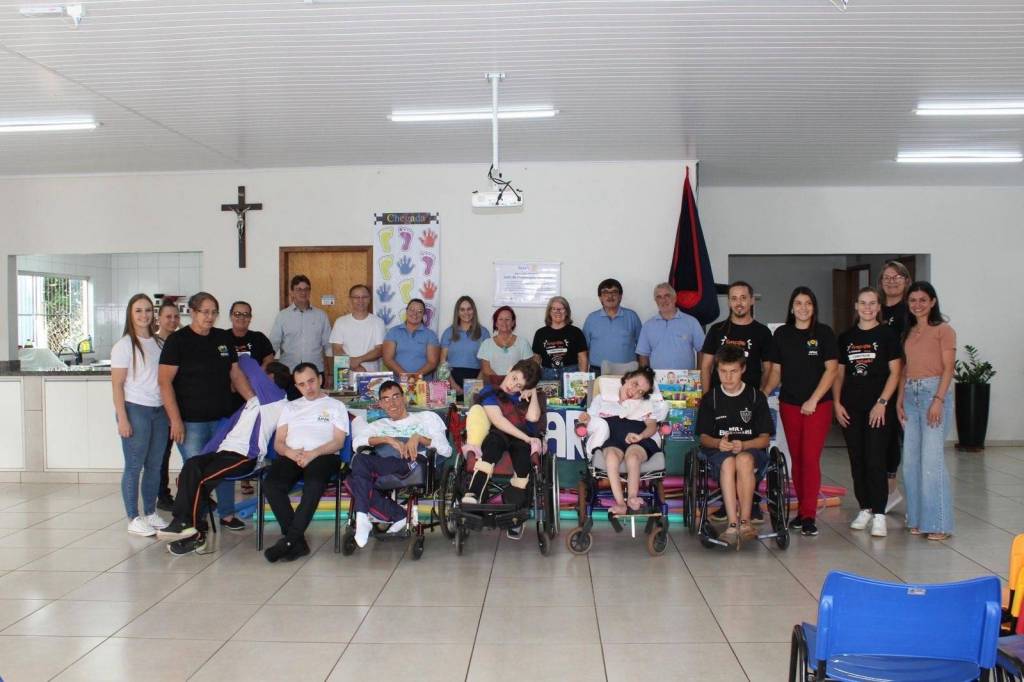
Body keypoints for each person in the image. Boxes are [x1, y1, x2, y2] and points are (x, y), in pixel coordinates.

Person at [156, 356, 289, 555]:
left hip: (244, 457)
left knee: (201, 480)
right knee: (191, 468)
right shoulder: (252, 402)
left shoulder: (276, 400)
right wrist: (202, 458)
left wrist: (235, 355)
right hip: (223, 453)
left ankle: (189, 529)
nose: (249, 380)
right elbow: (222, 434)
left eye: (262, 376)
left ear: (269, 379)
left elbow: (248, 364)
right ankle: (190, 530)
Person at [159, 291, 254, 531]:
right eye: (205, 312)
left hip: (222, 419)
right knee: (196, 471)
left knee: (223, 466)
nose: (209, 317)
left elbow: (235, 374)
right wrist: (175, 420)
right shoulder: (177, 341)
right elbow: (164, 382)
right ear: (192, 312)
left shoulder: (223, 338)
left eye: (214, 312)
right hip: (190, 422)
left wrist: (253, 402)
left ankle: (227, 514)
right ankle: (195, 517)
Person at [347, 381, 451, 547]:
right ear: (381, 404)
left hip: (415, 465)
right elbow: (357, 443)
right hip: (387, 465)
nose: (392, 403)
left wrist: (418, 438)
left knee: (359, 480)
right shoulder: (379, 425)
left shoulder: (426, 418)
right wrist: (387, 439)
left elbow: (446, 450)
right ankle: (369, 517)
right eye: (386, 399)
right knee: (356, 465)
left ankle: (364, 515)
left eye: (396, 397)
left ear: (404, 398)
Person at [770, 286, 839, 537]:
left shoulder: (824, 333)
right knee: (797, 459)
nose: (803, 308)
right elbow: (776, 371)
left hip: (817, 406)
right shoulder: (782, 334)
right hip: (789, 404)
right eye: (798, 303)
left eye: (808, 303)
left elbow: (832, 370)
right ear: (791, 307)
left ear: (814, 307)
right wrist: (761, 394)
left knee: (810, 459)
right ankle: (801, 511)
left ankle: (809, 515)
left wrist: (813, 399)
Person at [834, 287, 902, 538]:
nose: (868, 308)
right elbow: (839, 374)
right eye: (863, 303)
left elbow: (895, 372)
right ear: (856, 306)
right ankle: (865, 508)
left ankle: (880, 514)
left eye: (872, 303)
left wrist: (882, 402)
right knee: (857, 459)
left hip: (879, 410)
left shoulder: (887, 335)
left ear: (878, 307)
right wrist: (837, 403)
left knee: (875, 460)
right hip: (851, 408)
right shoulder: (846, 337)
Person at [263, 363, 349, 562]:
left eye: (311, 381)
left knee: (314, 483)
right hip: (293, 455)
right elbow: (278, 443)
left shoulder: (336, 406)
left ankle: (289, 540)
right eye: (301, 384)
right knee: (271, 485)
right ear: (296, 386)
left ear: (320, 379)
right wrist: (291, 453)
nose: (308, 387)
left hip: (324, 455)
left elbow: (338, 441)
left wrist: (313, 453)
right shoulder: (290, 407)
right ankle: (297, 543)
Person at [696, 346, 772, 548]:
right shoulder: (710, 398)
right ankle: (731, 524)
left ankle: (745, 522)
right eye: (723, 371)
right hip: (719, 452)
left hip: (750, 450)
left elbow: (765, 439)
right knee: (729, 462)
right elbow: (703, 438)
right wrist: (718, 443)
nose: (728, 377)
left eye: (733, 371)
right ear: (716, 370)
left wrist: (745, 444)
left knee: (743, 459)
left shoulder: (756, 397)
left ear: (743, 369)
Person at [897, 281, 956, 541]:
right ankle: (918, 518)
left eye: (923, 300)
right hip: (911, 396)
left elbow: (948, 368)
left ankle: (939, 524)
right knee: (911, 463)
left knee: (932, 462)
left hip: (934, 393)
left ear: (932, 302)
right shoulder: (908, 332)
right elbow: (904, 370)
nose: (918, 304)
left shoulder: (944, 330)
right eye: (913, 300)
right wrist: (899, 400)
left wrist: (938, 400)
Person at [460, 359, 542, 539]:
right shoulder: (490, 391)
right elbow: (498, 421)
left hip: (521, 438)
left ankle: (515, 513)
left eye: (519, 385)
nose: (513, 386)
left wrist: (533, 391)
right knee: (492, 445)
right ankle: (474, 492)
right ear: (510, 369)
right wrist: (527, 438)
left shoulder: (525, 395)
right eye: (514, 378)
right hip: (500, 433)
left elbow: (534, 417)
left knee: (523, 463)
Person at [111, 294, 169, 537]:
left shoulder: (159, 343)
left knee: (155, 466)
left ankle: (150, 512)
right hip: (135, 410)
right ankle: (133, 517)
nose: (144, 315)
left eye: (147, 310)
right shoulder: (124, 346)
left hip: (159, 411)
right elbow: (117, 385)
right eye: (138, 310)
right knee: (134, 465)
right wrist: (122, 417)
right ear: (130, 314)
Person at [579, 367, 666, 514]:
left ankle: (632, 497)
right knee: (611, 457)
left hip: (637, 439)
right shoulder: (603, 399)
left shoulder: (645, 404)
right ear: (627, 378)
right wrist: (586, 419)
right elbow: (590, 420)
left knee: (633, 457)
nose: (635, 391)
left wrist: (641, 436)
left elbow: (652, 426)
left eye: (641, 392)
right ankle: (620, 503)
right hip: (613, 438)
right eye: (635, 384)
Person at [700, 281, 777, 394]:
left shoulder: (763, 332)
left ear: (752, 300)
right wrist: (706, 397)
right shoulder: (716, 330)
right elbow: (705, 367)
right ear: (729, 302)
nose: (739, 303)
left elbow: (768, 368)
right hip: (719, 397)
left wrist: (761, 394)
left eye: (743, 298)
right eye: (734, 298)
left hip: (750, 397)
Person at [879, 260, 912, 511]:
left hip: (902, 382)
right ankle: (885, 489)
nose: (891, 281)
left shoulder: (909, 312)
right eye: (887, 277)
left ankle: (893, 490)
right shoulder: (876, 310)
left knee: (896, 438)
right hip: (876, 382)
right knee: (881, 437)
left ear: (906, 280)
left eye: (897, 277)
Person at [269, 274, 331, 377]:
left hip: (315, 371)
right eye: (299, 289)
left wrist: (329, 373)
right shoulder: (283, 316)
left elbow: (328, 346)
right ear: (292, 292)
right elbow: (273, 344)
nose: (303, 292)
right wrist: (268, 371)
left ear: (310, 291)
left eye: (306, 289)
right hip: (288, 371)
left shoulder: (321, 315)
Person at [637, 282, 705, 370]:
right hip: (657, 378)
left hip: (686, 378)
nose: (663, 300)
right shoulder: (648, 326)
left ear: (674, 298)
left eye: (667, 296)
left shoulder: (691, 322)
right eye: (659, 297)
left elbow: (702, 350)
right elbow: (643, 355)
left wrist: (700, 374)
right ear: (656, 301)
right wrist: (646, 376)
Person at [154, 301, 181, 512]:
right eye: (168, 317)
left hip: (180, 402)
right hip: (159, 405)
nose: (173, 321)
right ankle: (162, 495)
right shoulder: (152, 343)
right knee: (162, 453)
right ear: (159, 318)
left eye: (176, 317)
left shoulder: (181, 340)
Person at [582, 278, 642, 373]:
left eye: (614, 292)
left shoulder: (632, 317)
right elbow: (584, 349)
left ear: (620, 296)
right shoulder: (591, 319)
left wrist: (642, 371)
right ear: (600, 297)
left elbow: (641, 348)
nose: (610, 296)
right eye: (605, 292)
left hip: (628, 371)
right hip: (597, 371)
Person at [330, 284, 386, 372]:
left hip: (370, 374)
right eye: (356, 297)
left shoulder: (378, 322)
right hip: (344, 373)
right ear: (350, 299)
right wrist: (355, 366)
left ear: (369, 299)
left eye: (364, 297)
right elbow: (336, 350)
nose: (360, 300)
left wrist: (358, 360)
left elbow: (380, 350)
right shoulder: (340, 322)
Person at [440, 296, 490, 393]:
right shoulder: (448, 332)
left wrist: (475, 385)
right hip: (451, 380)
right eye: (462, 309)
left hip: (476, 379)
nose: (466, 313)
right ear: (457, 312)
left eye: (469, 309)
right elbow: (442, 362)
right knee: (452, 404)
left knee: (473, 404)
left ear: (474, 310)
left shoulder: (484, 333)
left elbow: (486, 364)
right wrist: (452, 384)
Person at [532, 296, 589, 380]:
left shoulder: (576, 332)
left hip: (571, 375)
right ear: (549, 312)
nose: (557, 312)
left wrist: (583, 380)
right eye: (554, 309)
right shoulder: (540, 333)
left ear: (567, 312)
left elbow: (582, 359)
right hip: (547, 376)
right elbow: (536, 359)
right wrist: (534, 379)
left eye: (561, 309)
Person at [382, 298, 440, 378]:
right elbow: (388, 359)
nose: (415, 314)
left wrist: (414, 377)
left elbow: (432, 362)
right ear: (406, 311)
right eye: (412, 310)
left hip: (423, 383)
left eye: (420, 311)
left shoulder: (431, 335)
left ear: (423, 315)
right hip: (398, 383)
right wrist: (405, 376)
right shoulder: (393, 332)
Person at [477, 306, 534, 380]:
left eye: (507, 319)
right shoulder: (486, 344)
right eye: (500, 319)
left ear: (513, 323)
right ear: (496, 323)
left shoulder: (523, 343)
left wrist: (511, 382)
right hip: (493, 384)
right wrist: (501, 382)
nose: (504, 322)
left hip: (516, 384)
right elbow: (486, 369)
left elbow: (527, 368)